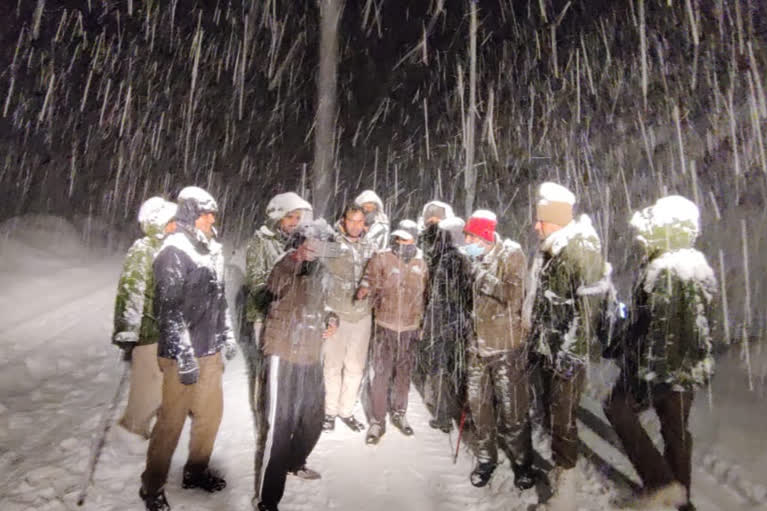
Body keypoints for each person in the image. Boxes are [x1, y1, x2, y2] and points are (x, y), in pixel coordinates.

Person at [603, 196, 717, 511]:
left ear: (667, 230)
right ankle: (681, 504)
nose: (642, 239)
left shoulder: (667, 269)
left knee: (617, 408)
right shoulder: (695, 266)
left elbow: (658, 329)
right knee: (675, 432)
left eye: (649, 231)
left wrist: (644, 374)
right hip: (685, 367)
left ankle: (664, 487)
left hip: (661, 369)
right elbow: (668, 323)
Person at [139, 186, 237, 511]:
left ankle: (196, 470)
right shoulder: (174, 251)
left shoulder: (209, 249)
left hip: (209, 350)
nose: (213, 219)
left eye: (213, 214)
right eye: (208, 214)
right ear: (193, 216)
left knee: (210, 415)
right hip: (181, 353)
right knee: (172, 421)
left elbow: (219, 299)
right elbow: (169, 309)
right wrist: (183, 356)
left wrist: (227, 334)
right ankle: (152, 486)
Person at [525, 183, 608, 511]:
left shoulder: (580, 250)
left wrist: (572, 354)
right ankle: (563, 474)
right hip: (550, 349)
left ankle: (565, 494)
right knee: (553, 416)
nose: (535, 226)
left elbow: (588, 310)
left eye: (540, 220)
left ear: (555, 220)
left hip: (567, 354)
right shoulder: (551, 249)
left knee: (563, 420)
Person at [253, 220, 339, 511]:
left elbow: (325, 305)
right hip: (284, 354)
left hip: (311, 353)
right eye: (310, 242)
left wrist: (331, 320)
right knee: (281, 425)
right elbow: (273, 289)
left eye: (321, 243)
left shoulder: (323, 271)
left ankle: (294, 460)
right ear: (301, 241)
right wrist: (294, 259)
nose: (315, 248)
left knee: (314, 417)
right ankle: (268, 499)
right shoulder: (284, 264)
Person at [461, 210, 536, 490]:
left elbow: (512, 294)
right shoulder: (472, 257)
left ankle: (522, 463)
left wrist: (480, 275)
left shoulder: (511, 255)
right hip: (477, 345)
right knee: (479, 407)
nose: (465, 240)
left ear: (483, 236)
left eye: (469, 235)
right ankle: (486, 459)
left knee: (513, 410)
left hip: (506, 346)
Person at [112, 197, 177, 439]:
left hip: (165, 330)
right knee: (148, 385)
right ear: (157, 222)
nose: (175, 225)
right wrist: (128, 331)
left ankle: (150, 425)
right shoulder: (143, 249)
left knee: (161, 382)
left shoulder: (169, 248)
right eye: (171, 222)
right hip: (148, 331)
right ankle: (133, 430)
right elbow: (131, 290)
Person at [356, 229, 429, 444]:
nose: (406, 243)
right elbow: (369, 281)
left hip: (410, 328)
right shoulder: (382, 258)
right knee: (381, 374)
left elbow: (427, 295)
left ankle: (399, 413)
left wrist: (422, 323)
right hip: (385, 326)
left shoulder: (422, 262)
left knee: (404, 374)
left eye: (410, 239)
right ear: (395, 239)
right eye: (402, 239)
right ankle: (377, 421)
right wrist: (365, 290)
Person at [242, 192, 312, 404]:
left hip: (291, 315)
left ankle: (285, 407)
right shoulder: (261, 241)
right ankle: (264, 413)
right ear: (278, 217)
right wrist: (278, 299)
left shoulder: (299, 241)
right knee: (268, 366)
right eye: (290, 217)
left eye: (298, 217)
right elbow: (257, 281)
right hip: (265, 315)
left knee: (288, 365)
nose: (295, 222)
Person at [322, 204, 377, 432]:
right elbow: (316, 276)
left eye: (359, 221)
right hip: (336, 314)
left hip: (362, 316)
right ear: (343, 221)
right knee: (332, 366)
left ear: (365, 223)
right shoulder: (332, 245)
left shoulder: (370, 247)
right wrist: (325, 313)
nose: (355, 226)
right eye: (350, 220)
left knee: (355, 368)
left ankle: (345, 411)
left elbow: (377, 276)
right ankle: (329, 412)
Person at [418, 217, 473, 434]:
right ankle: (462, 415)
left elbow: (439, 295)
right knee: (457, 370)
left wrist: (433, 322)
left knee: (441, 367)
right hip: (462, 324)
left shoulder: (446, 259)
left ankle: (443, 416)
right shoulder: (468, 258)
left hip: (445, 322)